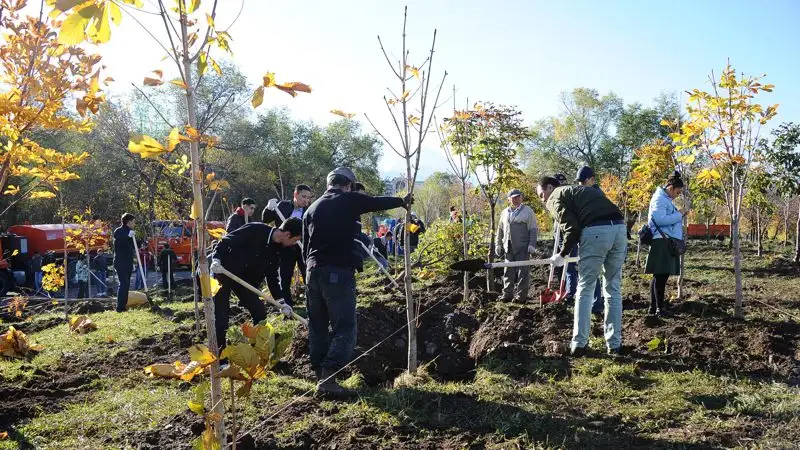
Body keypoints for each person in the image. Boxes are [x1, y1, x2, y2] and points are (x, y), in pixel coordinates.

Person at [303, 167, 412, 398]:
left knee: (318, 326)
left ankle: (319, 373)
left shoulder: (311, 208)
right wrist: (401, 200)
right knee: (345, 327)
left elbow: (304, 246)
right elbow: (373, 203)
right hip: (338, 273)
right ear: (348, 185)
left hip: (313, 272)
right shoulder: (346, 200)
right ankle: (329, 375)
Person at [537, 176, 627, 357]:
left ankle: (579, 344)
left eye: (541, 195)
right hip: (619, 229)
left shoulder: (555, 196)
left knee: (585, 287)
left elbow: (571, 227)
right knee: (613, 289)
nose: (542, 200)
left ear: (548, 187)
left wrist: (562, 255)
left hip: (596, 231)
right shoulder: (577, 191)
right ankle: (614, 345)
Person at [210, 218, 302, 352]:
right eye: (295, 240)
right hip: (223, 271)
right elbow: (225, 241)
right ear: (288, 234)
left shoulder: (277, 250)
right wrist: (216, 259)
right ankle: (220, 356)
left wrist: (281, 302)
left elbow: (272, 277)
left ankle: (257, 348)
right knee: (222, 314)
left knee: (259, 310)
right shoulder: (255, 230)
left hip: (243, 280)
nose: (293, 244)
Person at [262, 184, 314, 307]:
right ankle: (287, 305)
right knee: (285, 277)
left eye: (308, 197)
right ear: (295, 195)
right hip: (285, 248)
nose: (306, 200)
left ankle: (312, 303)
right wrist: (268, 208)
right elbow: (265, 219)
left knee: (308, 275)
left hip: (303, 248)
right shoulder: (282, 206)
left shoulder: (310, 210)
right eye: (303, 197)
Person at [646, 171, 687, 317]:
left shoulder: (665, 199)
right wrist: (679, 214)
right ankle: (660, 309)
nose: (677, 195)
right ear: (670, 188)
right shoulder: (660, 199)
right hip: (662, 241)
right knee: (661, 276)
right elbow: (659, 219)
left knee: (659, 276)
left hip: (664, 240)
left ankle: (654, 307)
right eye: (677, 192)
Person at [495, 189, 539, 303]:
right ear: (509, 199)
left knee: (522, 272)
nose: (516, 199)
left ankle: (520, 296)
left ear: (521, 198)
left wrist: (532, 244)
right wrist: (498, 244)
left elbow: (533, 229)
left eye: (518, 197)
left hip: (523, 247)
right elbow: (500, 229)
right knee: (508, 271)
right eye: (513, 198)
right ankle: (507, 294)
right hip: (508, 246)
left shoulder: (528, 211)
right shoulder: (505, 212)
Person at [574, 166, 604, 315]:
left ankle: (595, 303)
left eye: (583, 182)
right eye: (579, 183)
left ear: (592, 180)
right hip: (591, 235)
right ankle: (595, 301)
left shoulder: (594, 194)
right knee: (591, 271)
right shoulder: (593, 193)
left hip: (594, 236)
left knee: (591, 271)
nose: (581, 186)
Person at [113, 213, 136, 312]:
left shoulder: (131, 231)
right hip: (120, 261)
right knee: (123, 283)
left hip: (128, 262)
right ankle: (120, 307)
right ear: (129, 221)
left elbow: (131, 248)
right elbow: (119, 242)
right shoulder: (119, 231)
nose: (134, 223)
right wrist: (127, 237)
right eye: (133, 221)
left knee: (126, 284)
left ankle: (123, 306)